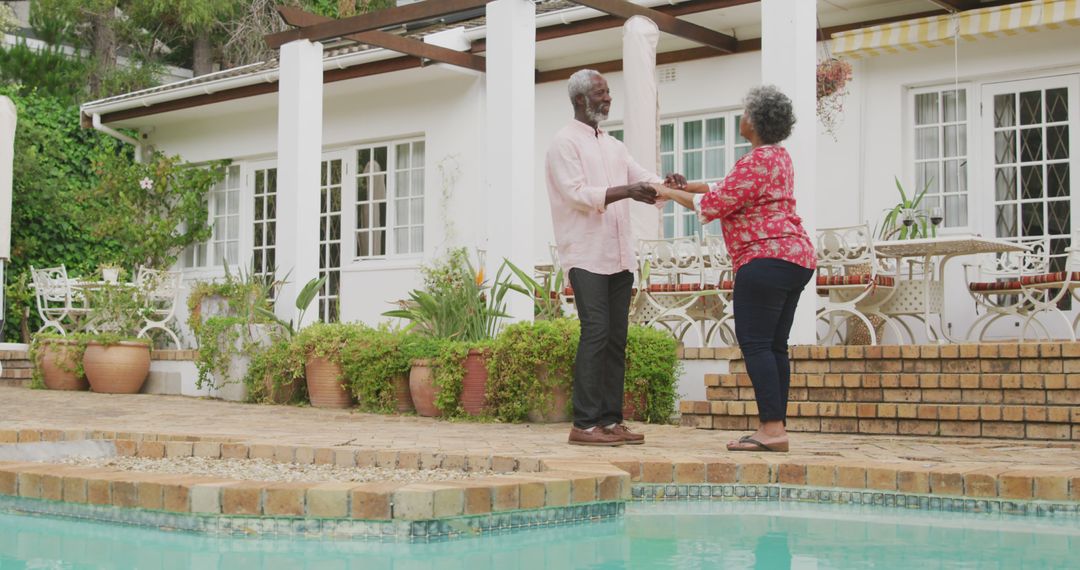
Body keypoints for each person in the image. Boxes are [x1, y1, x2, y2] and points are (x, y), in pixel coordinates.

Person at [657, 86, 815, 453]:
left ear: (754, 122)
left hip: (764, 260)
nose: (741, 117)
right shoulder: (778, 158)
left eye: (745, 112)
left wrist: (659, 190)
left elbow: (711, 203)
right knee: (775, 346)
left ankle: (772, 430)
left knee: (756, 344)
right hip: (796, 258)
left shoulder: (756, 161)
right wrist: (679, 187)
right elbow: (723, 187)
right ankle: (775, 427)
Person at [545, 69, 684, 447]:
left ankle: (610, 421)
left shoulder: (614, 145)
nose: (608, 99)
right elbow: (577, 193)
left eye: (608, 93)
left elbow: (645, 181)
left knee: (616, 338)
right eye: (601, 94)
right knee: (596, 332)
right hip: (586, 254)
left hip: (620, 256)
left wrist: (667, 185)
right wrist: (628, 190)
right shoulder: (563, 143)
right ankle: (584, 424)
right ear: (580, 100)